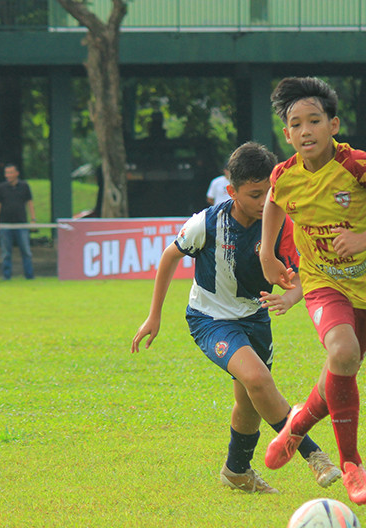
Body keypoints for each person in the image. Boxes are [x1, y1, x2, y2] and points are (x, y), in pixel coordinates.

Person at [131, 141, 341, 495]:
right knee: (258, 380)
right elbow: (169, 257)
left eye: (270, 193)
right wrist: (154, 316)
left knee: (250, 400)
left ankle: (236, 470)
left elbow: (305, 272)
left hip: (256, 319)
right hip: (210, 319)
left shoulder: (281, 225)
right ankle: (313, 455)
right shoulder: (207, 223)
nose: (264, 203)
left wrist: (290, 297)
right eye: (255, 195)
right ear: (231, 191)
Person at [259, 76, 366, 505]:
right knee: (344, 353)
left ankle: (296, 426)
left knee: (342, 367)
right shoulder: (284, 175)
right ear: (287, 134)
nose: (306, 130)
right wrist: (267, 254)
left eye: (315, 120)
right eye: (297, 124)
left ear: (334, 125)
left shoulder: (358, 167)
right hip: (323, 281)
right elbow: (274, 199)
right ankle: (351, 464)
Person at [0, 164, 36, 280]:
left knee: (26, 251)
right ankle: (6, 276)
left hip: (21, 224)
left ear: (17, 173)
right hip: (5, 224)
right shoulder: (1, 187)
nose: (9, 175)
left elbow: (29, 202)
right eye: (7, 173)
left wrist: (33, 219)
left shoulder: (24, 186)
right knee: (6, 253)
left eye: (11, 172)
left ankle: (29, 276)